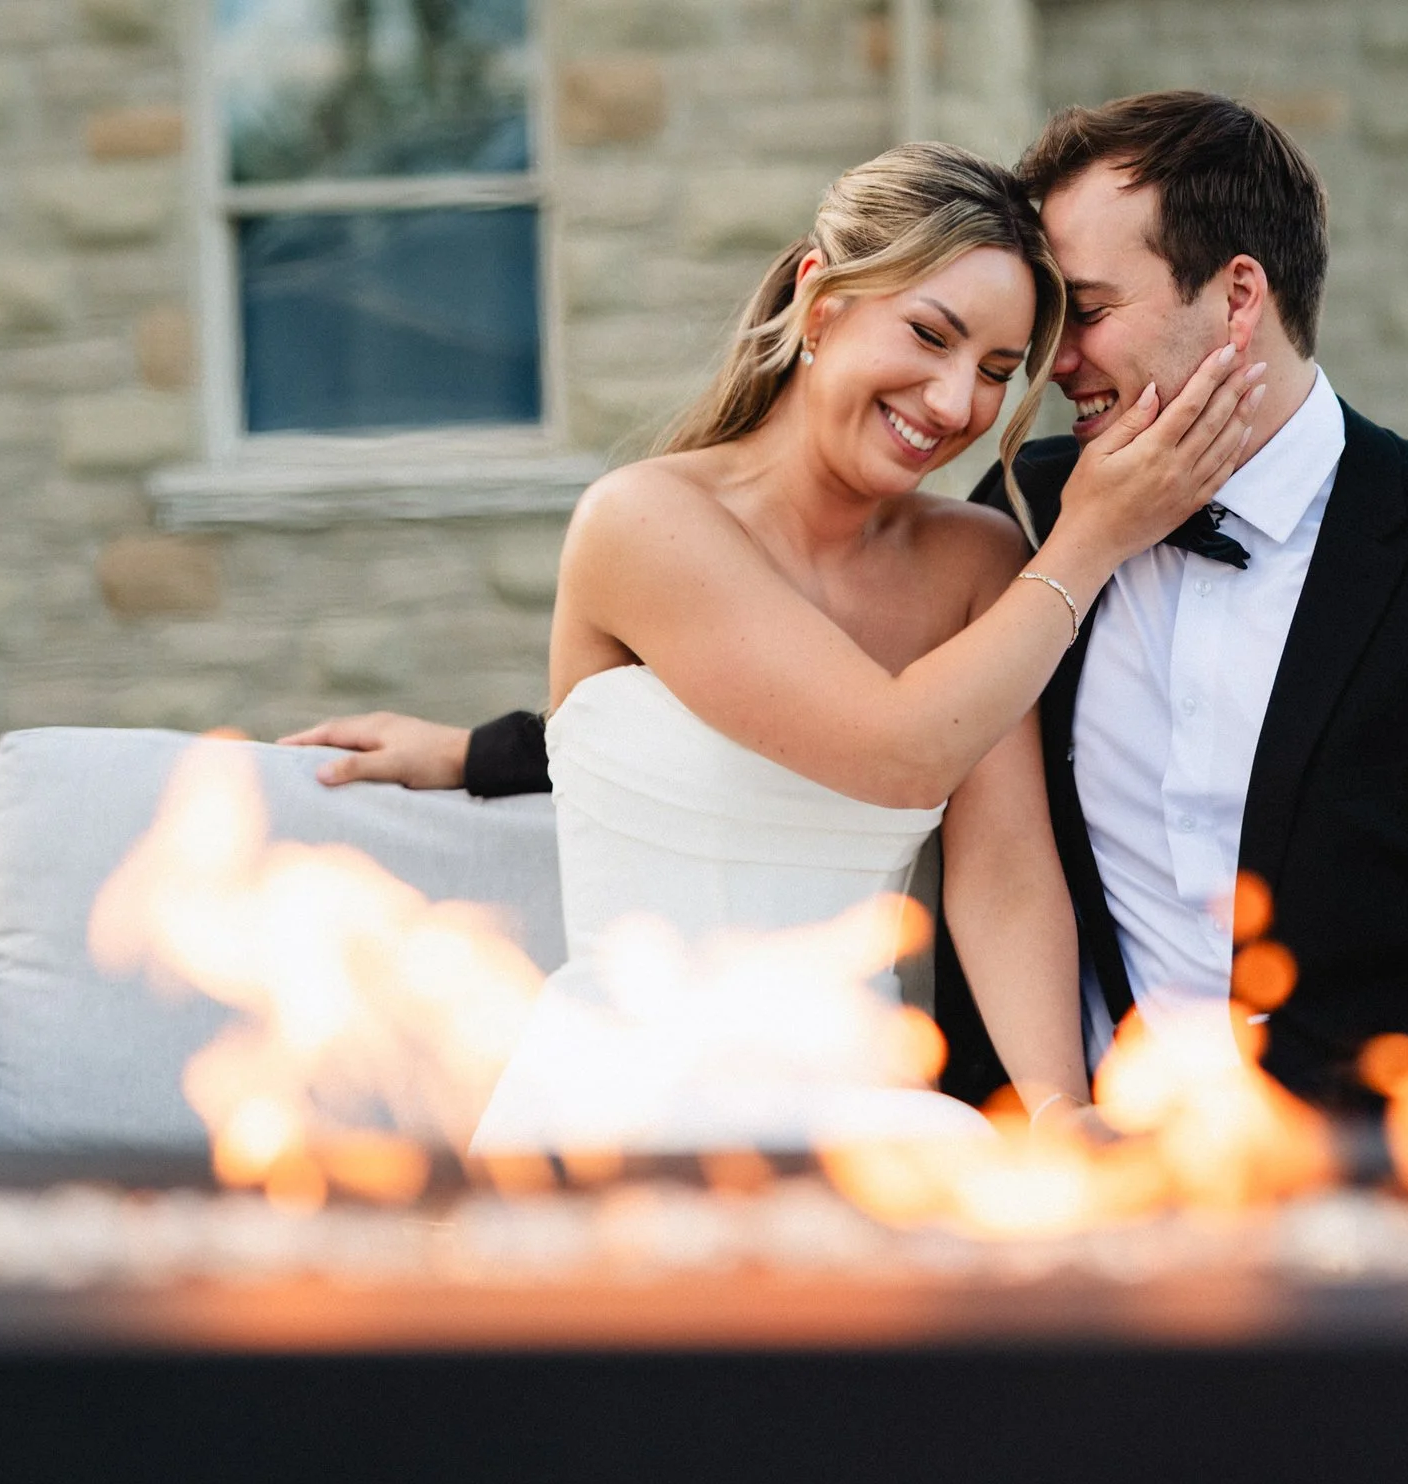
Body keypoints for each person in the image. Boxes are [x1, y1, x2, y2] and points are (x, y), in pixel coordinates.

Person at [288, 94, 1408, 1123]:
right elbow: (797, 716)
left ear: (1236, 297)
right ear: (824, 303)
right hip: (1009, 1119)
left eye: (1071, 325)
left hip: (1357, 1117)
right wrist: (492, 750)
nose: (1016, 387)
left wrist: (1310, 1127)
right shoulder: (1040, 522)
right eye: (990, 340)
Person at [287, 142, 1265, 1150]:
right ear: (821, 297)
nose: (951, 402)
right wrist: (1094, 538)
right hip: (629, 1105)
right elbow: (891, 750)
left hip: (867, 1111)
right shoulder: (643, 521)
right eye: (928, 334)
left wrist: (1058, 1110)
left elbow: (1005, 871)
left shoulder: (980, 561)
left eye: (995, 372)